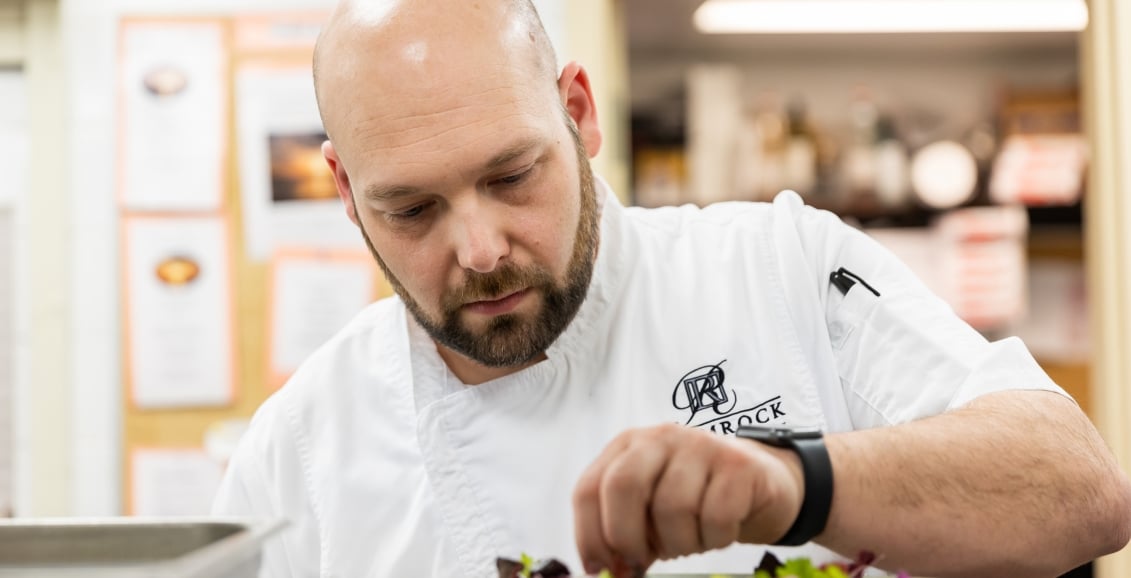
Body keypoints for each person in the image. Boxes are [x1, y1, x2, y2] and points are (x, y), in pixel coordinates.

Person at [212, 0, 1131, 576]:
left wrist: (793, 483)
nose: (482, 249)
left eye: (512, 175)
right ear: (342, 189)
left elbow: (1081, 494)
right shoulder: (298, 453)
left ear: (577, 113)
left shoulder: (778, 267)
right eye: (412, 210)